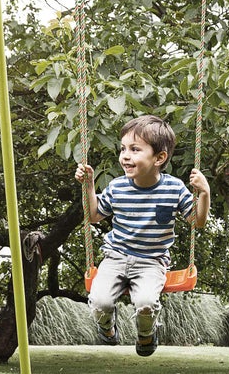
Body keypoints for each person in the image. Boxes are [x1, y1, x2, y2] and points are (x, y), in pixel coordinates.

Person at [74, 115, 210, 356]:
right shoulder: (117, 186)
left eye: (135, 149)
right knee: (100, 302)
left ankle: (146, 335)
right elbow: (94, 215)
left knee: (146, 304)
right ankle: (107, 327)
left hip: (151, 261)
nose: (125, 155)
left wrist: (205, 193)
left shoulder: (174, 188)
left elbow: (196, 221)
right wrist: (89, 187)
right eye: (123, 148)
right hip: (115, 257)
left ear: (159, 158)